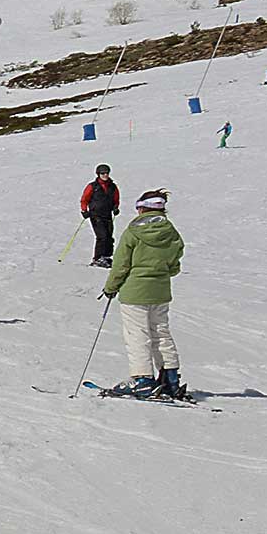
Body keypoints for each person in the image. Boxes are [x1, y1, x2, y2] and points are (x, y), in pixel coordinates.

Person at [102, 189, 186, 398]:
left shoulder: (133, 232)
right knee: (161, 332)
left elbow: (121, 264)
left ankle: (142, 379)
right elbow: (175, 264)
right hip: (160, 291)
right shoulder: (171, 232)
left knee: (137, 334)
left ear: (141, 208)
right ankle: (170, 378)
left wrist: (110, 287)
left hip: (134, 292)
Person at [82, 164, 120, 267]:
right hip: (95, 214)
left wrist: (115, 207)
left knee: (109, 236)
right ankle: (98, 258)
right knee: (101, 236)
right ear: (98, 174)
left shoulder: (112, 186)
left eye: (107, 173)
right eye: (102, 173)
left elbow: (116, 199)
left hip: (107, 214)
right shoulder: (93, 186)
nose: (105, 175)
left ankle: (107, 256)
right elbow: (84, 199)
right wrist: (84, 211)